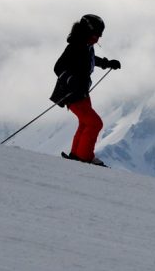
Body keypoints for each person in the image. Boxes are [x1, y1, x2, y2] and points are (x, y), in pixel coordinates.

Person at [50, 14, 121, 166]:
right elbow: (58, 67)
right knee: (95, 123)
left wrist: (108, 63)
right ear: (87, 32)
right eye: (96, 35)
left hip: (81, 93)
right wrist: (70, 80)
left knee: (85, 123)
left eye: (99, 36)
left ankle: (77, 154)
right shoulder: (75, 46)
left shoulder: (86, 46)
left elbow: (91, 60)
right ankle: (84, 157)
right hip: (72, 93)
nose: (98, 39)